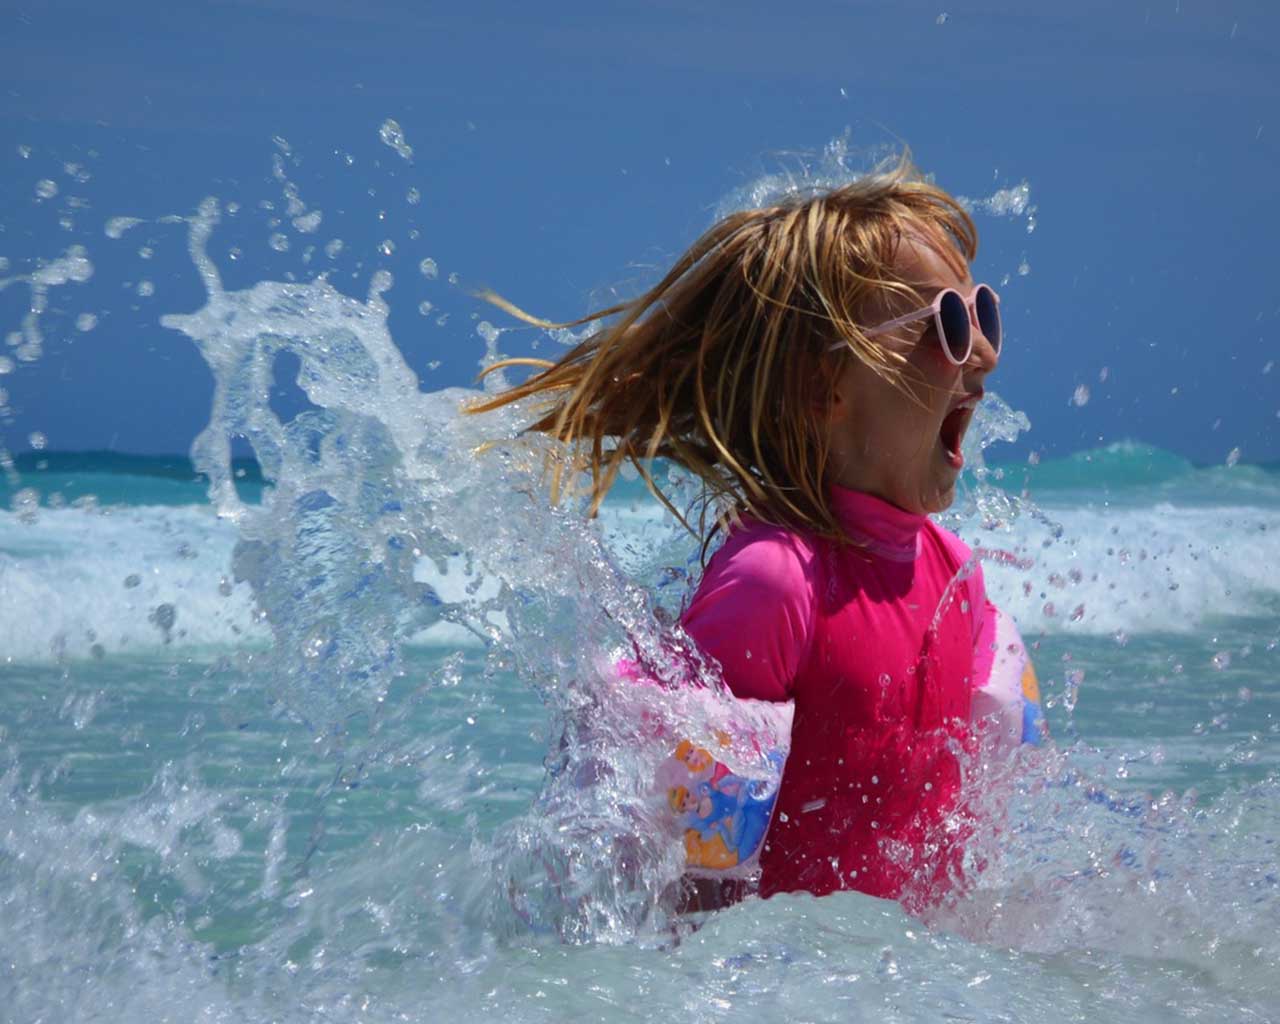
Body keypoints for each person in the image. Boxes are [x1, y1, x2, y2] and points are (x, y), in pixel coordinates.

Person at [468, 154, 1025, 911]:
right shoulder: (776, 584)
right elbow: (686, 886)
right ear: (824, 386)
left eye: (982, 313)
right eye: (948, 327)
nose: (985, 353)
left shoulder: (956, 576)